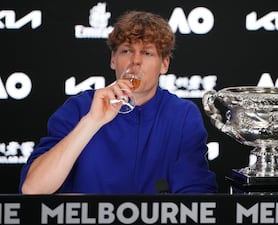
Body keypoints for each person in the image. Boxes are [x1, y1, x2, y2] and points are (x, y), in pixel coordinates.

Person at [19, 11, 217, 194]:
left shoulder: (182, 115)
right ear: (113, 59)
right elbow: (33, 188)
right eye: (126, 51)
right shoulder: (79, 108)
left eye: (147, 53)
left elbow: (196, 198)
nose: (135, 61)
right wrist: (92, 121)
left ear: (164, 64)